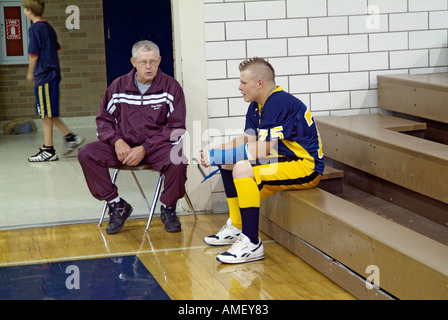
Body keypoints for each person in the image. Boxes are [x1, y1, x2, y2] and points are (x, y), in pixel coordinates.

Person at [200, 57, 324, 264]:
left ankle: (252, 243)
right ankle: (237, 226)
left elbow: (263, 150)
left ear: (260, 83)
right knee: (228, 163)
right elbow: (247, 139)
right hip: (283, 162)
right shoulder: (258, 103)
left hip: (306, 167)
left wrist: (216, 156)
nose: (239, 87)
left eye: (243, 82)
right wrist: (214, 151)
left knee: (241, 168)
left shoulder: (278, 102)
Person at [78, 40, 188, 235]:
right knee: (86, 153)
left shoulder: (171, 88)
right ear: (133, 62)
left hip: (156, 149)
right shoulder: (118, 86)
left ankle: (168, 208)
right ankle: (116, 205)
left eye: (153, 62)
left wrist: (145, 148)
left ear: (159, 61)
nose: (148, 67)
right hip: (124, 148)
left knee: (178, 161)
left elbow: (176, 128)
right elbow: (104, 121)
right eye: (143, 62)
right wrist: (117, 141)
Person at [23, 0, 84, 162]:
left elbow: (33, 55)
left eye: (24, 9)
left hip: (44, 75)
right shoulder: (48, 27)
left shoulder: (35, 28)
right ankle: (70, 137)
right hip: (53, 74)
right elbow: (58, 48)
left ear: (29, 10)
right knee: (47, 112)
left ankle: (49, 150)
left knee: (45, 113)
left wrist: (30, 73)